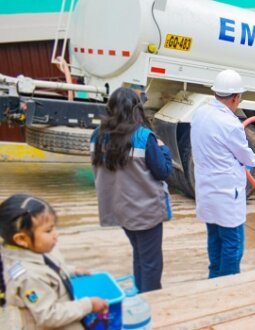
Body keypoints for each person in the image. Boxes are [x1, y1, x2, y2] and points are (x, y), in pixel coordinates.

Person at [191, 69, 255, 278]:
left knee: (214, 239)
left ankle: (214, 278)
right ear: (236, 97)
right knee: (232, 245)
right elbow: (247, 157)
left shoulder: (200, 113)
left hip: (206, 191)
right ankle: (226, 285)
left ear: (215, 93)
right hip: (226, 195)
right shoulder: (230, 124)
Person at [91, 87, 172, 293]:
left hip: (119, 209)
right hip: (145, 212)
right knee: (151, 261)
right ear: (136, 109)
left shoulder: (97, 136)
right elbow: (163, 171)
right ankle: (152, 302)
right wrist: (163, 148)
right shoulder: (144, 137)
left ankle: (140, 293)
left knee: (140, 253)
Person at [1, 194, 108, 329]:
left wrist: (71, 271)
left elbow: (50, 268)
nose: (56, 234)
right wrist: (88, 305)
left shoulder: (39, 248)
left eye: (54, 227)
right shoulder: (28, 277)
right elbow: (48, 316)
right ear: (21, 239)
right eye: (48, 230)